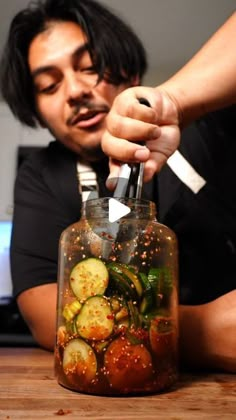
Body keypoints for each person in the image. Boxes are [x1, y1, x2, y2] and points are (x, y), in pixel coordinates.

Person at [0, 0, 235, 373]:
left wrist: (173, 100)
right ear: (37, 112)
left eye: (90, 67)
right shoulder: (41, 175)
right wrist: (198, 330)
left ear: (128, 69)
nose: (75, 91)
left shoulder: (206, 125)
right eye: (49, 85)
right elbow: (43, 308)